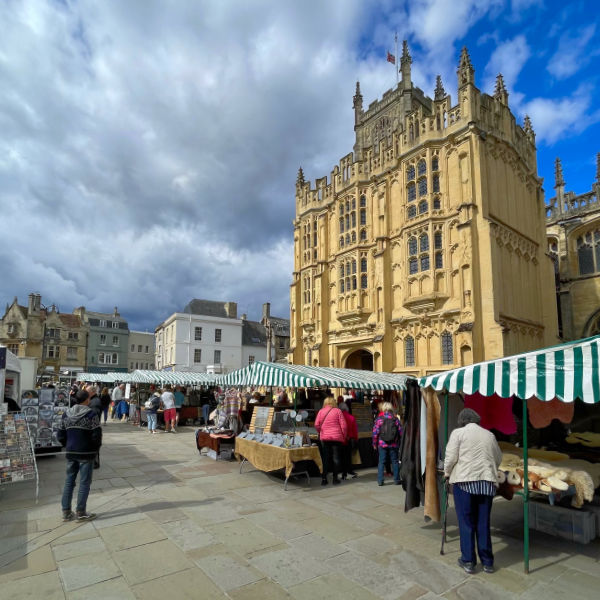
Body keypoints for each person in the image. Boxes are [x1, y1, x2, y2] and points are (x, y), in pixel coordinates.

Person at [444, 408, 503, 575]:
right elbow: (498, 457)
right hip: (486, 482)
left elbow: (450, 457)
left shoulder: (458, 433)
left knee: (466, 522)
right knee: (483, 522)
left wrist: (447, 473)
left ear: (462, 421)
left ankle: (468, 560)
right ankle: (488, 562)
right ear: (477, 420)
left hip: (464, 482)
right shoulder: (489, 435)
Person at [56, 390, 102, 521]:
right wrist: (95, 449)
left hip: (71, 452)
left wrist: (68, 445)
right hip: (86, 453)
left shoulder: (66, 414)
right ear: (87, 400)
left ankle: (66, 512)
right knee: (84, 482)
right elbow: (96, 435)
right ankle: (80, 511)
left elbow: (60, 435)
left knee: (69, 481)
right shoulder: (91, 414)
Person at [314, 395, 347, 486]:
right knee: (336, 458)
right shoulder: (338, 411)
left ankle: (324, 479)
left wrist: (320, 432)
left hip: (325, 438)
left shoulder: (321, 411)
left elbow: (316, 425)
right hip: (337, 438)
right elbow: (344, 426)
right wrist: (343, 436)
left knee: (325, 458)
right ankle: (335, 479)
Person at [372, 402, 402, 486]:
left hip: (382, 444)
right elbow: (401, 432)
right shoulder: (395, 419)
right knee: (395, 461)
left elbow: (375, 433)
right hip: (393, 444)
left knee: (381, 462)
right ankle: (396, 480)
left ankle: (380, 481)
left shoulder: (379, 419)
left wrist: (374, 444)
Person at [339, 402, 358, 479]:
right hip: (349, 439)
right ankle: (349, 471)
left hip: (340, 439)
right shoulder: (351, 417)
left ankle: (344, 473)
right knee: (348, 457)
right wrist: (356, 439)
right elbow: (355, 430)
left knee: (342, 457)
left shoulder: (339, 417)